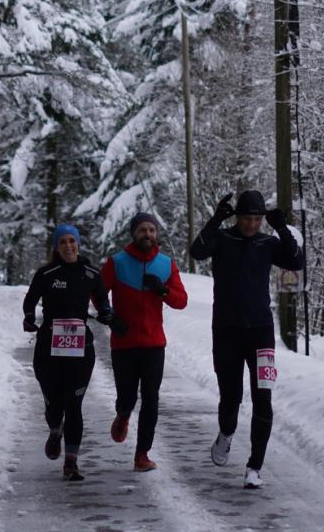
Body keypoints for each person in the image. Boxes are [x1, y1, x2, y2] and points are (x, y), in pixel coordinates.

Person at [189, 190, 305, 489]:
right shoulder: (223, 239)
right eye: (246, 218)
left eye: (256, 219)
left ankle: (254, 467)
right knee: (231, 398)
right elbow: (197, 251)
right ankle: (226, 433)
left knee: (263, 399)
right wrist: (216, 219)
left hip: (261, 332)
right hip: (226, 331)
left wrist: (281, 228)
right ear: (238, 217)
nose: (251, 224)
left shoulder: (268, 243)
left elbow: (296, 262)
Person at [23, 224, 114, 481]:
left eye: (72, 241)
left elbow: (103, 300)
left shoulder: (90, 273)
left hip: (80, 349)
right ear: (56, 247)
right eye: (62, 241)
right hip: (48, 349)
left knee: (74, 405)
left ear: (78, 244)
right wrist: (29, 317)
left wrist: (106, 313)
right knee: (54, 404)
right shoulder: (46, 273)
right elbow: (30, 300)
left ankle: (71, 463)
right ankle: (55, 430)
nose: (68, 246)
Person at [101, 213, 188, 472]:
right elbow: (98, 293)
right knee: (127, 397)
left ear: (156, 234)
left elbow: (182, 301)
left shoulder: (166, 264)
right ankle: (123, 414)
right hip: (124, 344)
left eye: (151, 230)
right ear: (133, 233)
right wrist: (110, 317)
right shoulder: (117, 262)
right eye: (142, 230)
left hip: (153, 344)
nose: (147, 234)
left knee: (151, 400)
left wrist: (163, 290)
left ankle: (142, 455)